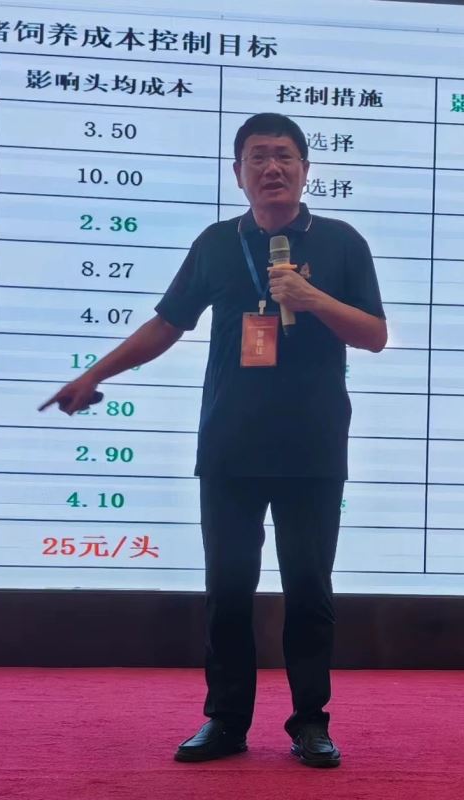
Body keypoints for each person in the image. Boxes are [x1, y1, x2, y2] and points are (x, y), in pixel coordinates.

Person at [40, 113, 387, 768]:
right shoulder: (216, 244)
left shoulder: (342, 242)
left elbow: (373, 335)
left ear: (305, 169)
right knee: (227, 589)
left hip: (312, 446)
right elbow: (166, 324)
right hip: (230, 444)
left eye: (283, 155)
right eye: (257, 157)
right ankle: (225, 721)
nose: (271, 168)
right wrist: (94, 374)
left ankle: (310, 722)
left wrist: (311, 298)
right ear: (237, 173)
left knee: (308, 589)